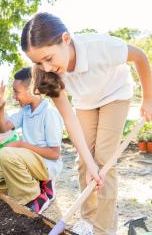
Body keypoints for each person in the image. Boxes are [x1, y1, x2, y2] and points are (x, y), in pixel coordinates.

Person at [21, 12, 152, 234]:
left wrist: (148, 98)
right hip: (86, 103)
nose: (46, 67)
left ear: (65, 39)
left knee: (103, 162)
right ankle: (87, 221)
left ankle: (104, 228)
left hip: (115, 95)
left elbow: (139, 56)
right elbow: (69, 119)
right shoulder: (48, 74)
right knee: (86, 162)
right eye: (38, 62)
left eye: (49, 58)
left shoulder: (100, 47)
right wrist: (88, 161)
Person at [0, 67, 63, 214]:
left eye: (16, 91)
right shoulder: (25, 111)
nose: (14, 96)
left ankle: (36, 197)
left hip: (46, 164)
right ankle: (34, 186)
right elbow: (3, 128)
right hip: (28, 163)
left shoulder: (49, 112)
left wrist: (21, 145)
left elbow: (55, 154)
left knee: (6, 154)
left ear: (32, 89)